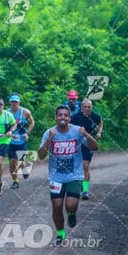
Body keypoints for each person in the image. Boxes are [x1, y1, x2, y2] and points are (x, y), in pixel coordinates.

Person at [38, 105, 98, 246]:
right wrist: (49, 139)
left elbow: (95, 147)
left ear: (69, 118)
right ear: (56, 117)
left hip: (74, 175)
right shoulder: (49, 133)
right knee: (57, 206)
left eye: (66, 115)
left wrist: (87, 135)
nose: (63, 117)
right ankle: (60, 234)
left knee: (70, 206)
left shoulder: (77, 131)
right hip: (56, 177)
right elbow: (40, 156)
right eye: (60, 115)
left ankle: (71, 214)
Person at [71, 98, 103, 200]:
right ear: (81, 107)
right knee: (76, 166)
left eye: (89, 107)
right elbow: (68, 127)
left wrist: (99, 132)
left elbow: (100, 123)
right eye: (85, 107)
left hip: (89, 143)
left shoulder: (95, 116)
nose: (87, 109)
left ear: (91, 107)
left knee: (85, 166)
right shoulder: (75, 117)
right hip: (77, 143)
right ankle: (78, 183)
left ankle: (85, 190)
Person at [7, 93, 35, 189]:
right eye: (12, 101)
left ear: (19, 102)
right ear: (9, 102)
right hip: (10, 141)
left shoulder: (25, 112)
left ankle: (25, 167)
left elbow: (32, 122)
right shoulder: (6, 113)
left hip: (22, 141)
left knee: (19, 161)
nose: (14, 103)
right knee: (12, 161)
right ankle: (15, 181)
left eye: (16, 102)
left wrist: (27, 133)